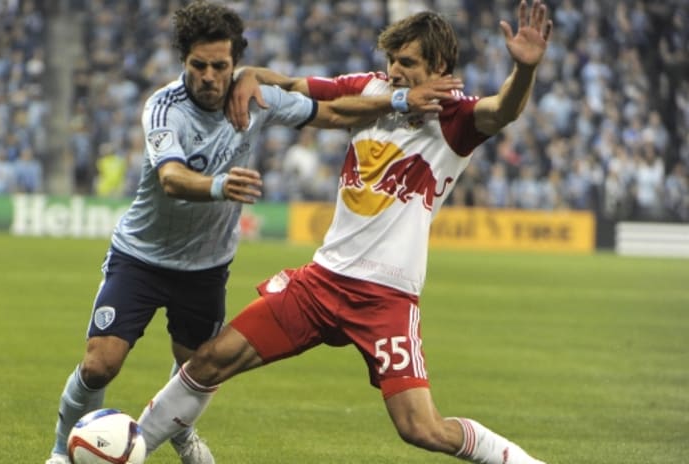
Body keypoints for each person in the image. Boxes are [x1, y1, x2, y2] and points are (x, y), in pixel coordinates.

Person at [134, 1, 554, 463]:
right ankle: (129, 450)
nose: (393, 71)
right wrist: (250, 72)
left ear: (437, 67)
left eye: (407, 63)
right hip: (322, 281)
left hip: (386, 298)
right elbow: (295, 86)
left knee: (421, 428)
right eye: (391, 60)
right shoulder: (369, 91)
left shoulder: (455, 119)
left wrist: (524, 72)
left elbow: (503, 110)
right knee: (210, 360)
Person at [44, 2, 463, 464]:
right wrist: (221, 185)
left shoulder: (256, 99)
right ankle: (63, 452)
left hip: (205, 266)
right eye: (198, 65)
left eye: (220, 67)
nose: (208, 76)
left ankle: (179, 434)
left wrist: (399, 99)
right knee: (100, 363)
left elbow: (334, 113)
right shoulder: (164, 108)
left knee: (195, 370)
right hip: (143, 255)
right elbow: (171, 178)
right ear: (184, 62)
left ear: (234, 64)